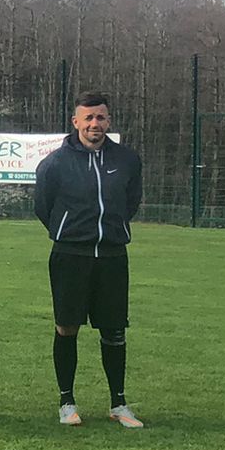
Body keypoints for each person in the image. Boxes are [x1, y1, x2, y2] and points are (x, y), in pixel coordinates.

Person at [33, 91, 146, 427]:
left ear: (108, 121)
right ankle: (66, 402)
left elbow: (130, 202)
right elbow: (44, 207)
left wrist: (111, 228)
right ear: (76, 121)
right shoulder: (55, 163)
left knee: (114, 329)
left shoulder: (127, 160)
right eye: (88, 118)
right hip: (70, 255)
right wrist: (71, 229)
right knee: (67, 327)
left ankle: (119, 404)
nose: (94, 124)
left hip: (112, 255)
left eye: (100, 117)